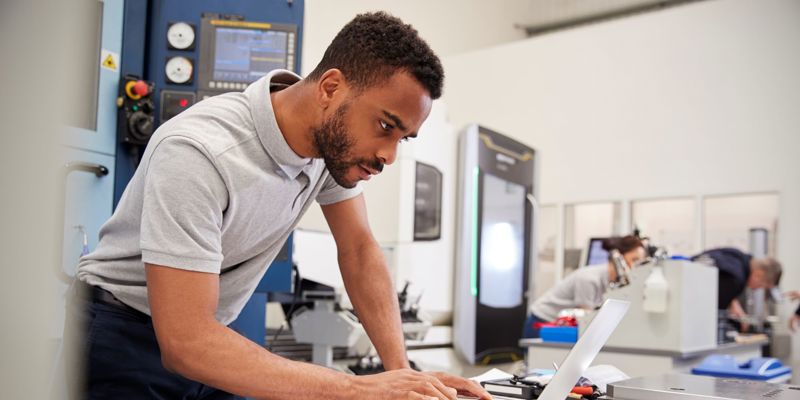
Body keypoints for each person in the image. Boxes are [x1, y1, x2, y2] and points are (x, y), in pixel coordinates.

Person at [66, 12, 491, 400]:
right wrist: (358, 389)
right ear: (330, 88)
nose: (388, 156)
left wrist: (403, 376)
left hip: (207, 336)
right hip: (122, 336)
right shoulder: (200, 153)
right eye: (385, 127)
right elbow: (186, 343)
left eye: (403, 138)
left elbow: (359, 250)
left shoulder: (330, 148)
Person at [524, 235, 646, 338]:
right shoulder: (589, 279)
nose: (636, 266)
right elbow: (587, 317)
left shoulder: (612, 281)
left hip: (558, 326)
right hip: (542, 321)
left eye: (640, 262)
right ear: (619, 258)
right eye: (634, 260)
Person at [691, 248, 782, 332]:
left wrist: (732, 301)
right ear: (758, 275)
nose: (757, 289)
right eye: (762, 286)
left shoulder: (737, 256)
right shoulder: (736, 280)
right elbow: (717, 317)